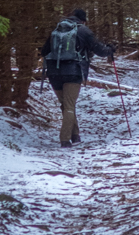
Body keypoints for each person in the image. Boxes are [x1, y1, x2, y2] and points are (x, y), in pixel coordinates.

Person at [41, 8, 115, 147]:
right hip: (73, 72)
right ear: (83, 20)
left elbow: (44, 51)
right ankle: (65, 139)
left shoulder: (57, 30)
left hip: (53, 73)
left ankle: (75, 135)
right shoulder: (83, 31)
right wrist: (110, 50)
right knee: (69, 106)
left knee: (65, 104)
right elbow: (99, 50)